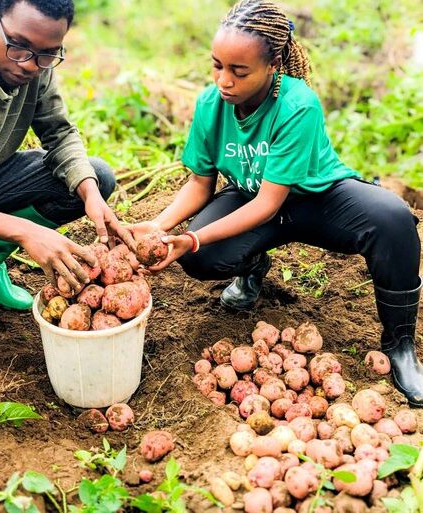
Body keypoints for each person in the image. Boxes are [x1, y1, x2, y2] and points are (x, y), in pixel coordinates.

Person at [128, 0, 423, 405]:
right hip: (252, 196)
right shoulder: (211, 106)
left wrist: (191, 238)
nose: (223, 81)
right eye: (217, 66)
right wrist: (160, 227)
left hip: (317, 200)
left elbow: (270, 204)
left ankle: (400, 346)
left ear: (272, 66)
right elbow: (200, 185)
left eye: (238, 71)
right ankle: (251, 269)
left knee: (392, 220)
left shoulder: (296, 105)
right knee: (201, 255)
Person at [0, 0, 134, 341]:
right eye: (19, 47)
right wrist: (24, 231)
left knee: (94, 176)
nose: (31, 65)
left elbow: (60, 133)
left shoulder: (35, 62)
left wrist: (90, 193)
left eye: (48, 54)